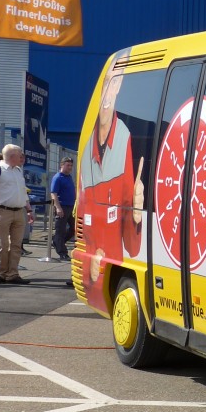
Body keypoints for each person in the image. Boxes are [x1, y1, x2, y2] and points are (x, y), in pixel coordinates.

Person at [78, 64, 144, 308]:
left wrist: (136, 216)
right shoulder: (86, 153)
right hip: (99, 275)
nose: (109, 88)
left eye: (115, 83)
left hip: (118, 273)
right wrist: (90, 267)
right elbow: (84, 226)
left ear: (119, 88)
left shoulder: (125, 138)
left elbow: (131, 244)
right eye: (106, 82)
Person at [0, 145, 34, 284]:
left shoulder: (17, 170)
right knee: (3, 244)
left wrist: (28, 210)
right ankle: (3, 273)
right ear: (11, 156)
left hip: (18, 211)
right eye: (19, 154)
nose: (21, 157)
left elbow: (22, 192)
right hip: (1, 211)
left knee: (16, 245)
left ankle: (13, 274)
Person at [50, 157, 76, 262]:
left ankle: (57, 242)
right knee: (60, 230)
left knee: (74, 229)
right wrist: (58, 207)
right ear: (62, 165)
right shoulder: (58, 177)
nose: (70, 167)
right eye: (67, 165)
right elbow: (53, 193)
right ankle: (62, 253)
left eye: (71, 165)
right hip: (62, 207)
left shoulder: (69, 177)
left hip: (71, 207)